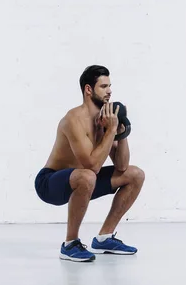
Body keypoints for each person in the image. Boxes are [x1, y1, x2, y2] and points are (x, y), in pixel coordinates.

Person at [34, 65, 145, 262]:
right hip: (50, 182)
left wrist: (120, 132)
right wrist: (110, 132)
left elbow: (122, 166)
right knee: (87, 175)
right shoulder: (73, 119)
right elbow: (92, 167)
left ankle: (104, 238)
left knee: (135, 174)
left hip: (85, 180)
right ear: (88, 89)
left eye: (110, 86)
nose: (110, 91)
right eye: (103, 86)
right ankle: (70, 244)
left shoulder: (105, 120)